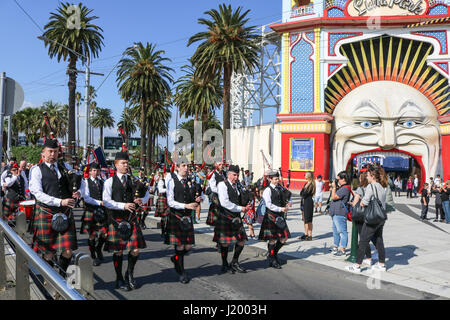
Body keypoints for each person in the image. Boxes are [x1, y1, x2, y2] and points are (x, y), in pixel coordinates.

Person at [29, 139, 81, 276]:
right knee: (48, 253)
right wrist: (60, 202)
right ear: (43, 154)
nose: (53, 154)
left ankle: (62, 278)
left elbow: (77, 183)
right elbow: (37, 194)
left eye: (55, 151)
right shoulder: (36, 170)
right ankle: (50, 278)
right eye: (50, 151)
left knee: (68, 251)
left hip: (65, 214)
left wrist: (78, 192)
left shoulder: (65, 168)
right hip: (47, 213)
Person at [103, 152, 150, 291]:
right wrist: (123, 205)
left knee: (135, 249)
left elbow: (146, 193)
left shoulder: (134, 180)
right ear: (116, 164)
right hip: (116, 220)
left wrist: (142, 200)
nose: (126, 165)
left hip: (131, 219)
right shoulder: (109, 181)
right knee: (118, 251)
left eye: (127, 163)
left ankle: (129, 274)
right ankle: (118, 278)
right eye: (123, 163)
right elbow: (106, 201)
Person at [165, 160, 202, 284]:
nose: (186, 168)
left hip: (187, 218)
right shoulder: (172, 181)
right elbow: (170, 201)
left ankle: (175, 258)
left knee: (188, 246)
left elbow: (192, 199)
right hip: (176, 216)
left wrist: (197, 199)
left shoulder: (190, 182)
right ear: (177, 167)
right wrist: (186, 206)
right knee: (180, 246)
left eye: (188, 166)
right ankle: (181, 272)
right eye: (183, 166)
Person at [346, 165, 387, 273]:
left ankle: (357, 265)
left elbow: (365, 202)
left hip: (372, 218)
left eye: (368, 175)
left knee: (363, 240)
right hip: (381, 217)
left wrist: (362, 203)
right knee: (379, 240)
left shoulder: (371, 186)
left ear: (373, 176)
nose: (367, 177)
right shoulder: (382, 187)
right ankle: (381, 264)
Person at [214, 165, 251, 274]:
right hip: (226, 216)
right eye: (234, 175)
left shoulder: (238, 185)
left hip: (236, 217)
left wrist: (246, 202)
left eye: (237, 175)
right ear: (228, 174)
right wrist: (241, 208)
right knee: (225, 243)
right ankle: (224, 263)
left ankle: (234, 262)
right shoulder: (222, 184)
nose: (236, 177)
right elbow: (224, 202)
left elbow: (239, 199)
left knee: (241, 240)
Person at [258, 170, 291, 269]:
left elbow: (288, 196)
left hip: (280, 217)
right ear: (270, 179)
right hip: (271, 216)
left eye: (278, 179)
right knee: (272, 240)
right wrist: (281, 208)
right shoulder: (267, 190)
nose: (277, 181)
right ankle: (272, 259)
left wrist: (289, 203)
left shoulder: (280, 188)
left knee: (283, 238)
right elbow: (268, 205)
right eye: (275, 179)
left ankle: (273, 254)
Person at [80, 163, 107, 266]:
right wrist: (99, 202)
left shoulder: (102, 182)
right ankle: (93, 255)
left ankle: (98, 249)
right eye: (93, 170)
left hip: (102, 211)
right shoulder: (85, 182)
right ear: (90, 171)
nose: (95, 172)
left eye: (97, 170)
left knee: (105, 234)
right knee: (92, 235)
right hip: (91, 210)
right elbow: (86, 198)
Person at [350, 171, 373, 266]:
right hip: (370, 214)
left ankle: (367, 257)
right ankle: (369, 257)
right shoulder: (371, 187)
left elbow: (355, 202)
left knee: (362, 237)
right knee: (366, 236)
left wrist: (352, 204)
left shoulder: (360, 189)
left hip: (360, 215)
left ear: (361, 179)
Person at [329, 171, 352, 256]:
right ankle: (335, 246)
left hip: (340, 213)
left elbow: (334, 197)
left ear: (344, 179)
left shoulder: (345, 188)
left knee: (342, 231)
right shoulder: (341, 188)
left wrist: (334, 188)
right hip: (335, 212)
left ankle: (342, 249)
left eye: (338, 179)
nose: (337, 181)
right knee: (335, 231)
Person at [206, 162, 226, 227]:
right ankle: (214, 222)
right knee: (216, 208)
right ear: (216, 166)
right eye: (220, 165)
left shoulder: (224, 173)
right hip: (216, 194)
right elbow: (213, 187)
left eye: (222, 165)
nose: (221, 166)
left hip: (223, 194)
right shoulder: (213, 174)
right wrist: (220, 191)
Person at [300, 172, 315, 240]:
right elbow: (301, 193)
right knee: (305, 219)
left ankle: (310, 235)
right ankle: (305, 234)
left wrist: (304, 189)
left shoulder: (311, 184)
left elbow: (304, 194)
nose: (304, 176)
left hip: (308, 202)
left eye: (305, 175)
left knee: (308, 219)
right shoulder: (306, 184)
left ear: (308, 176)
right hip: (304, 202)